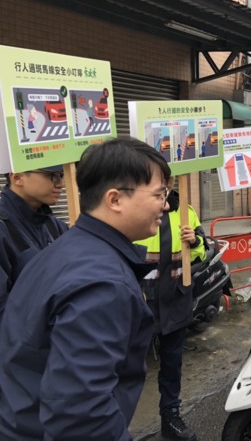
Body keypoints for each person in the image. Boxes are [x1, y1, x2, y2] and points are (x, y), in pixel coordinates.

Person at [0, 137, 171, 440]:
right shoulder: (102, 284)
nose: (166, 204)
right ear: (114, 199)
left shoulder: (68, 245)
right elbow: (81, 417)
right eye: (159, 194)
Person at [135, 177, 206, 441]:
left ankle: (171, 416)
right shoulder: (136, 208)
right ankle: (117, 424)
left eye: (170, 178)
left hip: (176, 298)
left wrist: (195, 241)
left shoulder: (186, 210)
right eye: (160, 179)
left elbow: (202, 251)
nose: (167, 183)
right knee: (128, 366)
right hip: (141, 299)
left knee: (172, 364)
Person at [0, 165, 69, 322]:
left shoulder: (55, 226)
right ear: (17, 177)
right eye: (52, 176)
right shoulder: (3, 229)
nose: (60, 184)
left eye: (61, 175)